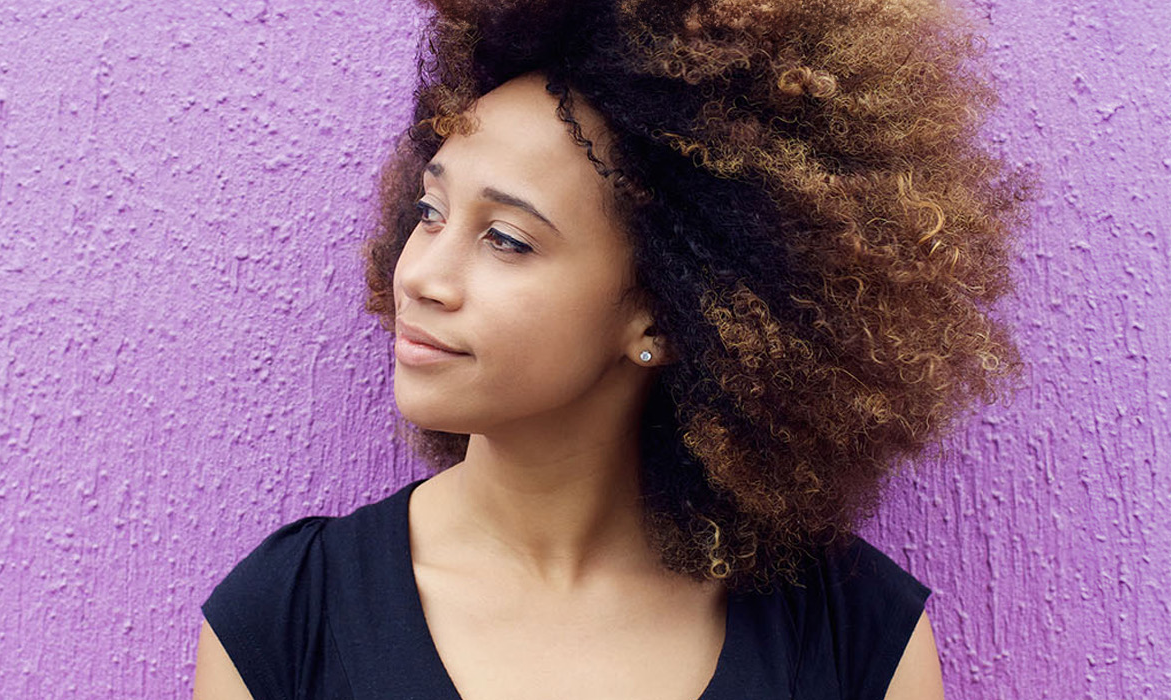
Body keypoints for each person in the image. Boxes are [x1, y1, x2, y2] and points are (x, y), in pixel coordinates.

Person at [192, 0, 1029, 698]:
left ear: (666, 314)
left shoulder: (852, 638)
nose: (423, 277)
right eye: (430, 212)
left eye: (508, 239)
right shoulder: (286, 620)